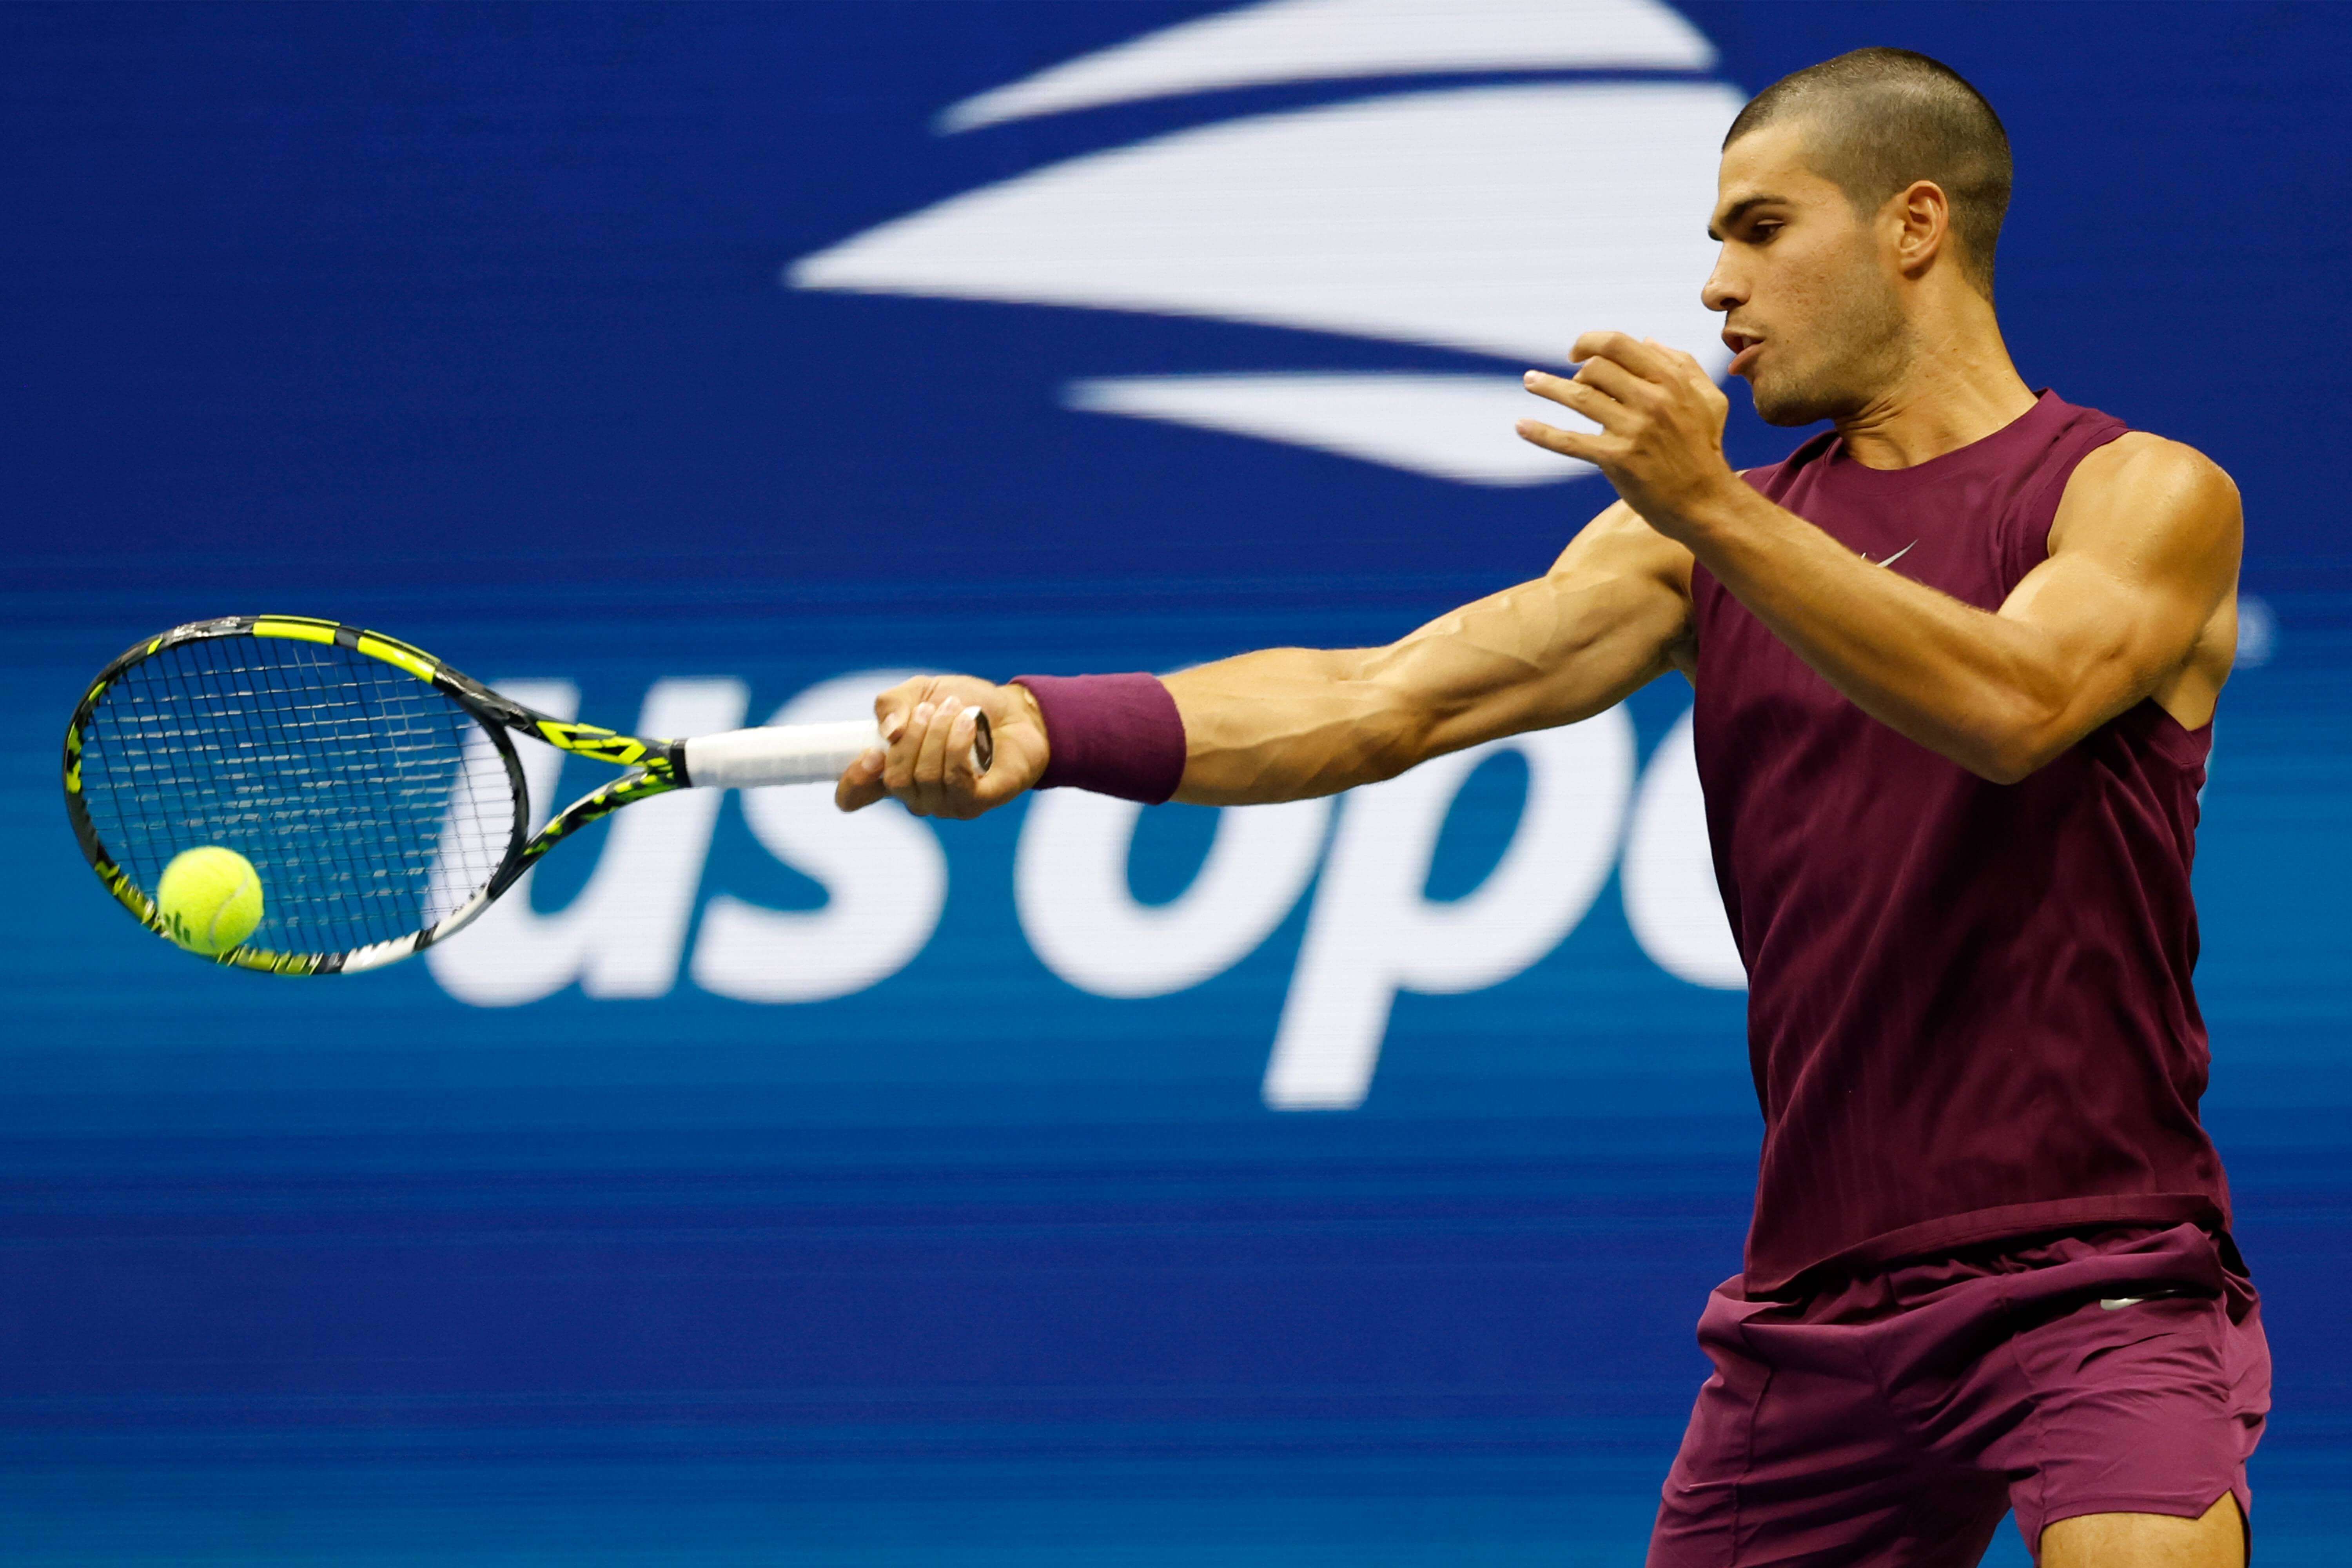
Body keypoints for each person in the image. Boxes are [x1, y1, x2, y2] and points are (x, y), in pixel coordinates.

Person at [834, 48, 2264, 1568]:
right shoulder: (1697, 556)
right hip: (1818, 1309)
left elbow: (2016, 706)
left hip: (2095, 1278)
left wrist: (1709, 505)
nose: (1716, 284)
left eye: (1759, 228)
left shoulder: (2138, 495)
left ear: (1915, 223)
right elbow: (1382, 699)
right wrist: (1051, 724)